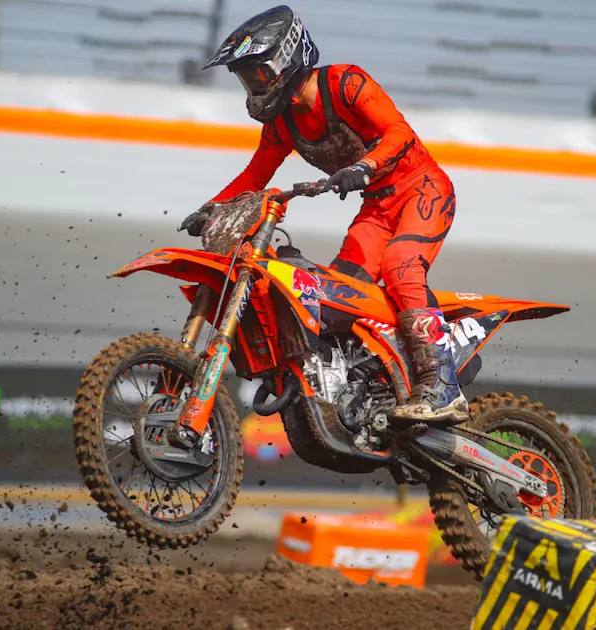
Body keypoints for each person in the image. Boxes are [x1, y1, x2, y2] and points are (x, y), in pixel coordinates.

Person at [181, 5, 468, 424]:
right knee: (337, 296)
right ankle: (373, 390)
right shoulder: (282, 123)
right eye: (246, 78)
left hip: (422, 188)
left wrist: (365, 166)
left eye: (257, 74)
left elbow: (399, 132)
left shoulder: (346, 83)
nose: (253, 86)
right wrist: (211, 209)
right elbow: (255, 175)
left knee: (401, 267)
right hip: (377, 206)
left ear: (286, 59)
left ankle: (444, 387)